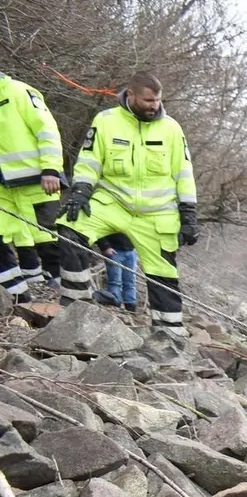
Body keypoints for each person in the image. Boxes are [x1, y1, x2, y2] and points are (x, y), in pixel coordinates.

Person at [56, 71, 198, 335]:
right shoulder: (106, 121)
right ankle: (77, 309)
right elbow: (89, 161)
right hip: (113, 203)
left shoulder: (171, 129)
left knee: (163, 275)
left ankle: (170, 334)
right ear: (130, 95)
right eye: (148, 100)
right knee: (69, 228)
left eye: (157, 100)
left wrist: (189, 213)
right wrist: (81, 191)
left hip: (157, 214)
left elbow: (184, 174)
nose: (154, 106)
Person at [0, 70, 65, 302]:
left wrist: (50, 169)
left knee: (49, 240)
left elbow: (47, 131)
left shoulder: (19, 92)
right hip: (4, 188)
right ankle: (19, 297)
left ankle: (66, 298)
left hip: (38, 182)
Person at [93, 233, 138, 311]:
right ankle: (115, 302)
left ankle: (131, 304)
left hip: (131, 251)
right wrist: (105, 247)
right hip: (114, 251)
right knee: (115, 281)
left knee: (130, 281)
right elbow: (99, 230)